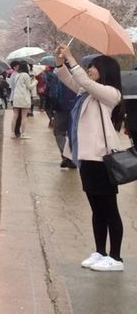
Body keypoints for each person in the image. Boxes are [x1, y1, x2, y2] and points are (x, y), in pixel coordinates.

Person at [56, 44, 125, 272]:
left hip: (102, 159)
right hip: (86, 158)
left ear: (104, 70)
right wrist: (61, 63)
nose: (90, 69)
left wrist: (71, 57)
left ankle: (115, 257)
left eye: (93, 67)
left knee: (109, 209)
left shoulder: (110, 94)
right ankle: (100, 251)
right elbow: (74, 82)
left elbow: (84, 82)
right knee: (97, 209)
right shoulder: (88, 93)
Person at [10, 62, 33, 139]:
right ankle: (23, 134)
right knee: (24, 117)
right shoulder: (25, 75)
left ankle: (12, 133)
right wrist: (35, 82)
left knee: (15, 116)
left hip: (16, 97)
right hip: (24, 97)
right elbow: (29, 87)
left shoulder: (16, 75)